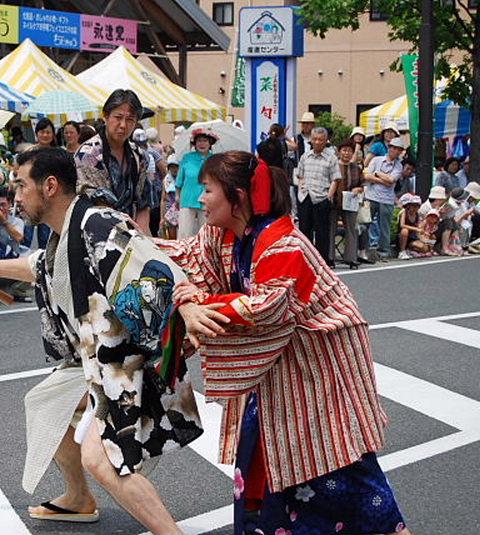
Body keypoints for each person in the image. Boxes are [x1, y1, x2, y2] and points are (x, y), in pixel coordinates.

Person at [0, 147, 206, 534]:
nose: (16, 196)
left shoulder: (98, 223)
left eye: (22, 185)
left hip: (123, 365)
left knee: (102, 458)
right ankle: (78, 498)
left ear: (50, 186)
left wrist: (188, 311)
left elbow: (158, 271)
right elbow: (39, 266)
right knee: (47, 406)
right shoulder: (66, 231)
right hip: (89, 363)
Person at [158, 151, 411, 535]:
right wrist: (132, 243)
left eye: (208, 190)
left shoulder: (283, 244)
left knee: (339, 461)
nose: (200, 197)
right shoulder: (226, 234)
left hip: (317, 371)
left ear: (237, 196)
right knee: (270, 462)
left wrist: (197, 304)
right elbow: (186, 258)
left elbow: (265, 308)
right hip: (278, 373)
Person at [75, 89, 151, 231]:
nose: (123, 125)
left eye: (130, 119)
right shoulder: (88, 154)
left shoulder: (139, 156)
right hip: (94, 234)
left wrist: (142, 240)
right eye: (118, 117)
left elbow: (142, 204)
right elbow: (101, 208)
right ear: (106, 116)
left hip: (131, 236)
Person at [295, 126, 341, 264]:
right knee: (304, 229)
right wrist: (301, 186)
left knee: (322, 231)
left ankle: (322, 260)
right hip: (305, 196)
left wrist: (329, 196)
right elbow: (299, 174)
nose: (317, 142)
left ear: (326, 140)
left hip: (321, 197)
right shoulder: (305, 156)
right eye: (314, 139)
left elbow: (336, 179)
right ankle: (305, 259)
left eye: (321, 140)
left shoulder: (331, 158)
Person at [364, 137, 405, 261]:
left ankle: (383, 251)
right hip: (371, 196)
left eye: (398, 149)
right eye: (393, 148)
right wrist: (381, 178)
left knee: (385, 227)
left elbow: (392, 180)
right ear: (389, 148)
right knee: (366, 223)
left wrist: (376, 174)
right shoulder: (376, 160)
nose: (395, 151)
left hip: (387, 199)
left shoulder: (398, 166)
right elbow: (366, 175)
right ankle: (364, 248)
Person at [176, 127, 217, 238]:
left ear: (210, 143)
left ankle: (205, 254)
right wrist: (177, 196)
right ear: (194, 143)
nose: (202, 144)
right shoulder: (187, 158)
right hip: (187, 199)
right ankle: (183, 255)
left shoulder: (215, 159)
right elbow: (179, 180)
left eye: (205, 141)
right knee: (185, 232)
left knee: (206, 233)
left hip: (207, 201)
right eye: (199, 141)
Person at [24, 118, 57, 248]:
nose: (45, 135)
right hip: (30, 195)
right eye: (42, 132)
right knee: (26, 234)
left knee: (45, 236)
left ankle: (44, 265)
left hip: (48, 197)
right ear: (37, 133)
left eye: (48, 132)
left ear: (53, 134)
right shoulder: (29, 152)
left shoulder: (56, 153)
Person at [330, 141, 364, 268]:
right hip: (334, 201)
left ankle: (351, 258)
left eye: (349, 150)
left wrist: (358, 189)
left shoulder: (356, 168)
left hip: (350, 202)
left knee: (351, 229)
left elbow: (362, 184)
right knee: (331, 229)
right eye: (344, 150)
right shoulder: (333, 166)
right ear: (339, 152)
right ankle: (330, 258)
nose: (346, 153)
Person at [397, 193, 424, 259]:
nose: (415, 208)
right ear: (409, 205)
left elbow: (419, 227)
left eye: (417, 206)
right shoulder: (404, 212)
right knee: (405, 231)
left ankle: (409, 250)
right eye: (413, 206)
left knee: (423, 247)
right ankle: (402, 251)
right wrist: (416, 229)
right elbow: (402, 225)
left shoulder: (417, 215)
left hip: (412, 237)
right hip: (402, 236)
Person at [160, 155, 180, 239]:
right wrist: (162, 217)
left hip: (181, 209)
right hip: (170, 212)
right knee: (172, 238)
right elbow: (163, 200)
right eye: (172, 167)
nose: (174, 169)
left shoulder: (184, 179)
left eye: (176, 166)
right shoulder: (166, 180)